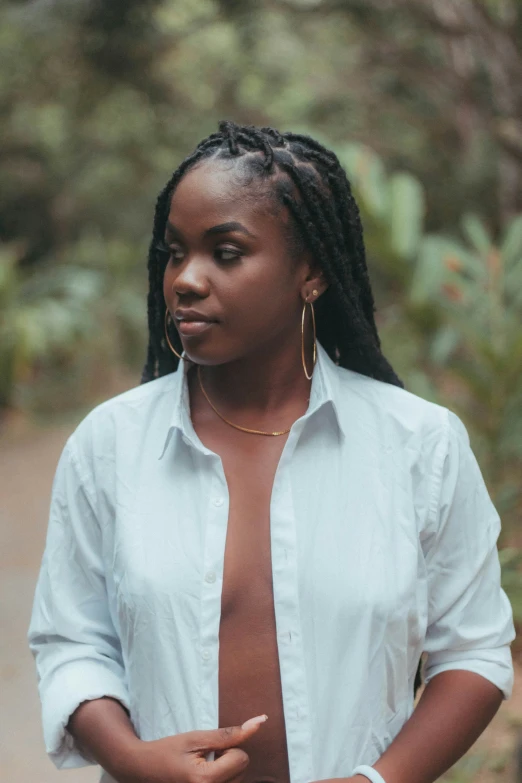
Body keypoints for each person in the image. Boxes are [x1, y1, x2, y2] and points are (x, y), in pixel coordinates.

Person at [28, 121, 515, 783]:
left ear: (310, 270)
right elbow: (74, 640)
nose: (186, 280)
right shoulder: (110, 445)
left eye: (225, 252)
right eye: (175, 252)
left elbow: (475, 649)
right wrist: (129, 758)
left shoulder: (418, 445)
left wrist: (377, 782)